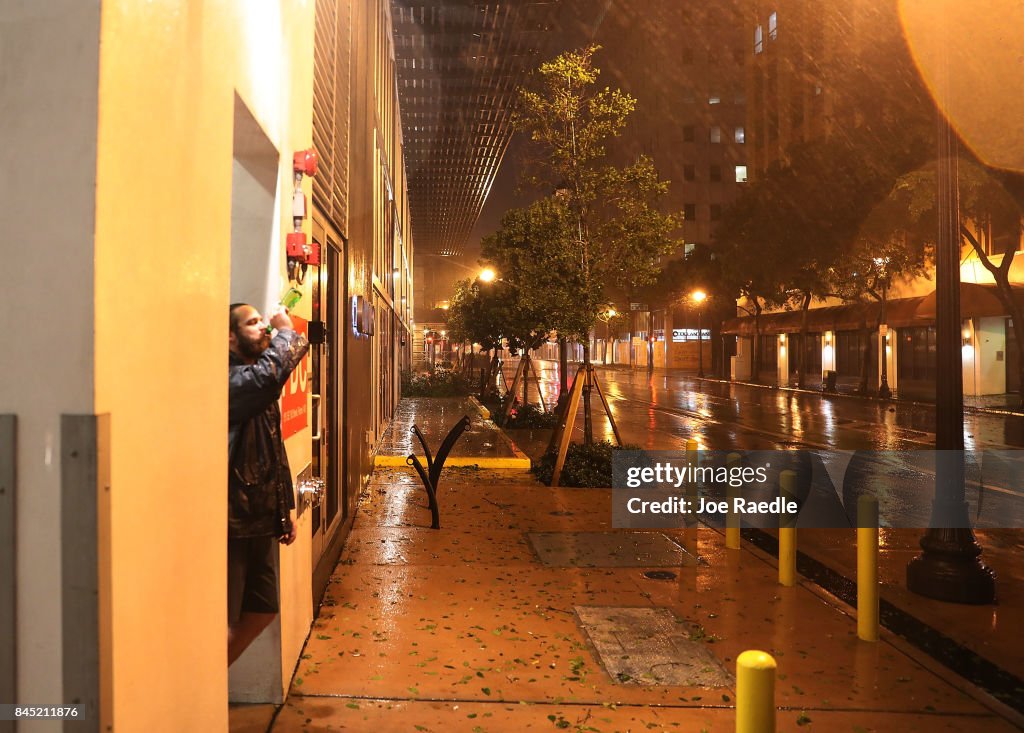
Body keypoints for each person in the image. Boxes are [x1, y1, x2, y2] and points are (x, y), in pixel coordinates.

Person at [227, 302, 309, 665]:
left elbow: (271, 452)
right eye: (252, 323)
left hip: (257, 518)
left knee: (263, 609)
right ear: (230, 337)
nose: (263, 327)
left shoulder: (253, 381)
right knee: (223, 621)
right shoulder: (230, 380)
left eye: (263, 321)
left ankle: (211, 677)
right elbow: (270, 374)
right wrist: (287, 331)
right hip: (232, 523)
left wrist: (283, 509)